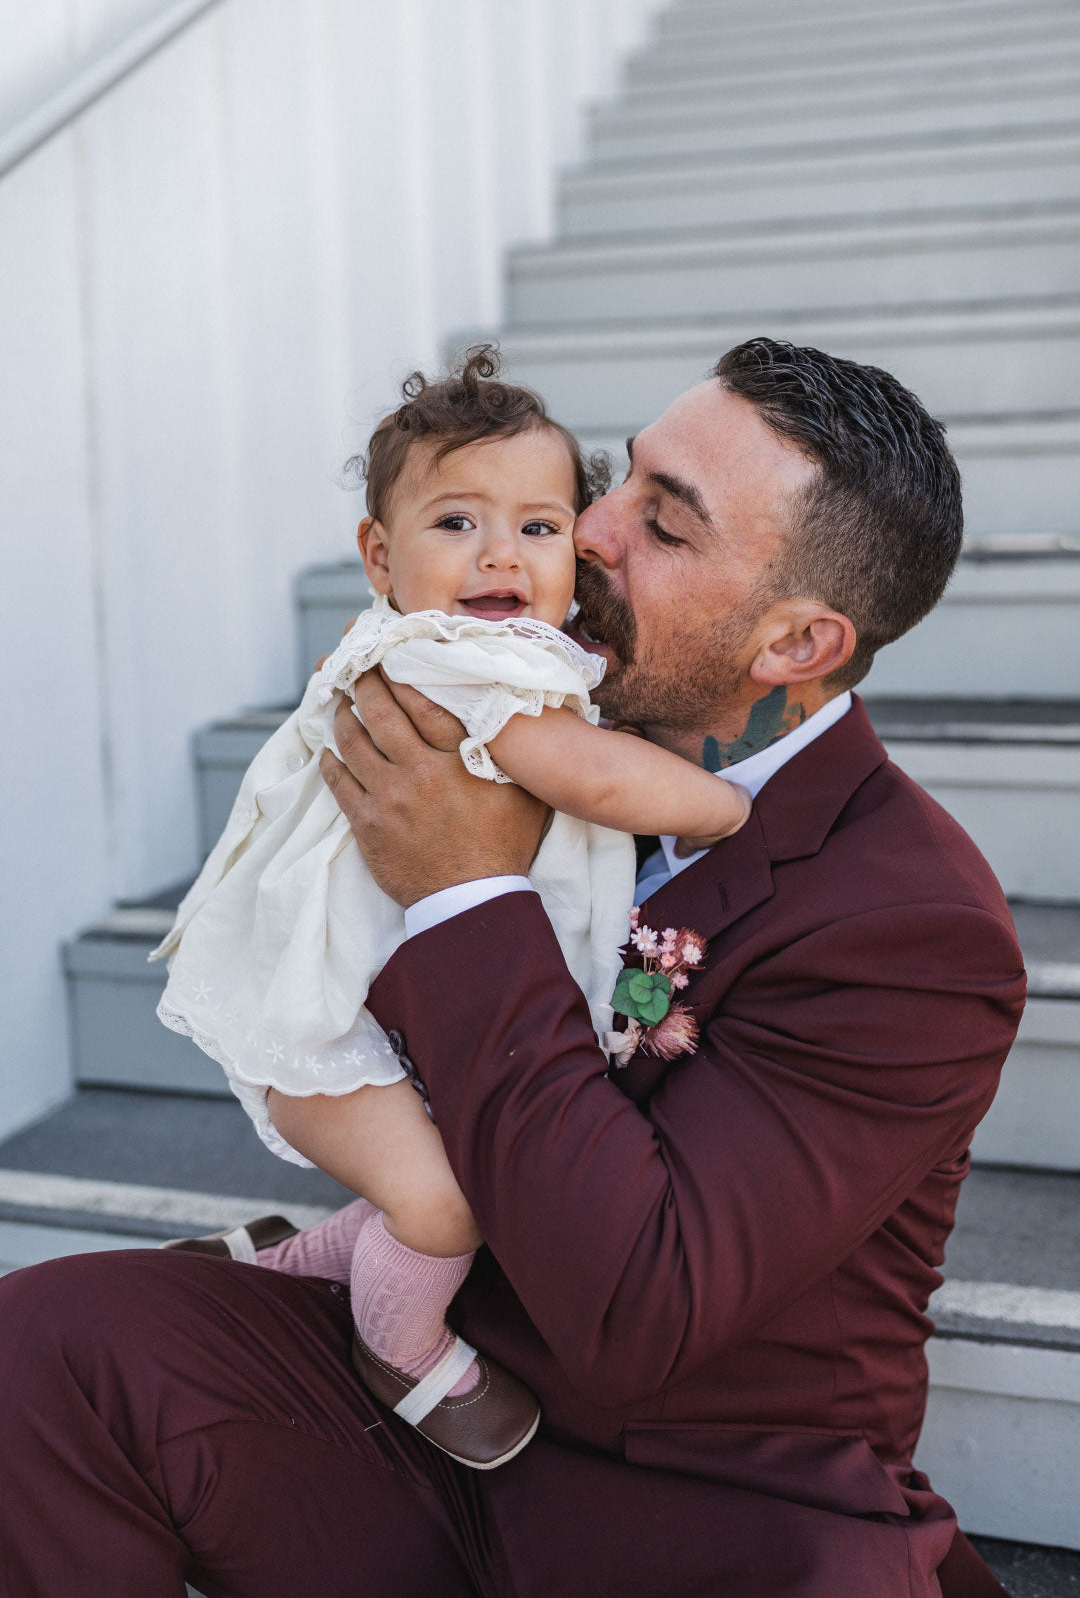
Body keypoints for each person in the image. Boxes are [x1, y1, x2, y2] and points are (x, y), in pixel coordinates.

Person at [0, 338, 1024, 1598]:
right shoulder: (518, 709)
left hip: (705, 1505)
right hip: (425, 1410)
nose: (585, 530)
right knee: (46, 1348)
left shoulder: (914, 924)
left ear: (796, 641)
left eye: (662, 522)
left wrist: (467, 888)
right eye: (620, 478)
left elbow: (637, 1307)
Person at [150, 347, 750, 1470]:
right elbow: (595, 777)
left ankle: (286, 1261)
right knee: (447, 1200)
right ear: (380, 554)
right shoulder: (448, 657)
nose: (498, 554)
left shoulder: (502, 653)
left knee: (450, 1168)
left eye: (536, 526)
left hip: (377, 995)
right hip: (320, 1017)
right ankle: (403, 1353)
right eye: (456, 523)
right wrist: (720, 801)